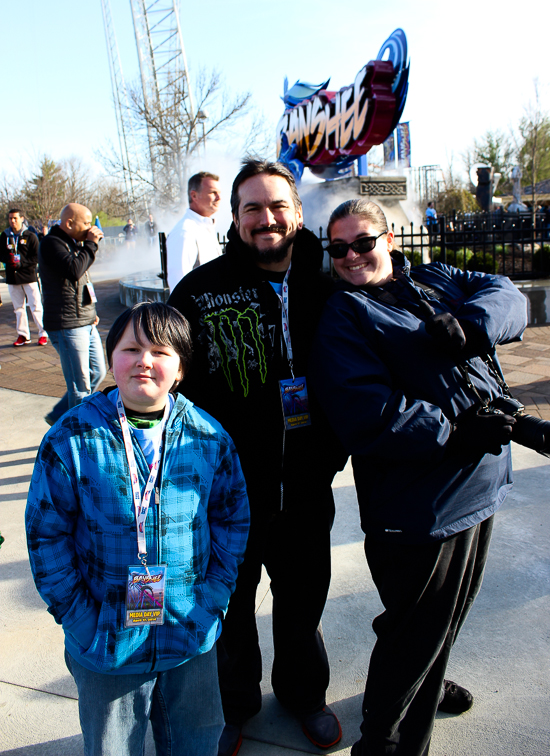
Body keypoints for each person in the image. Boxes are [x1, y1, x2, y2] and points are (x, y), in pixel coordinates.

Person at [310, 199, 528, 756]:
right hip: (419, 509)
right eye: (338, 249)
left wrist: (473, 326)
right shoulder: (345, 314)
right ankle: (386, 739)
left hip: (478, 485)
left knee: (443, 618)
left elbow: (508, 293)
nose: (352, 256)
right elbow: (367, 413)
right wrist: (457, 429)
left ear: (390, 240)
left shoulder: (434, 278)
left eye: (363, 242)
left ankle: (425, 687)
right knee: (412, 632)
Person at [168, 159, 347, 756]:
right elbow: (171, 379)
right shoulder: (202, 289)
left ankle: (304, 695)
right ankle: (234, 705)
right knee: (232, 606)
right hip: (228, 491)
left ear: (297, 212)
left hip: (304, 483)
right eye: (251, 208)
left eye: (277, 207)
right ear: (234, 217)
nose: (265, 219)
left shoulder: (331, 280)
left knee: (302, 601)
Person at [26, 301, 250, 756]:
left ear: (182, 368)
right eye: (131, 348)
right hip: (105, 641)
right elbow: (46, 536)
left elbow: (231, 518)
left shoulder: (209, 437)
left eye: (161, 351)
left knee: (197, 743)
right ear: (111, 359)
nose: (144, 360)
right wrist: (81, 619)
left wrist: (212, 600)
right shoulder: (71, 439)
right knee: (113, 747)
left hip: (189, 631)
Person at [38, 203, 107, 425]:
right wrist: (91, 244)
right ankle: (77, 435)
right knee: (80, 386)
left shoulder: (74, 243)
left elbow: (83, 281)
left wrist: (91, 310)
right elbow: (74, 271)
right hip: (67, 324)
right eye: (86, 223)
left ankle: (59, 415)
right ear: (69, 223)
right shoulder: (52, 243)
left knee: (98, 372)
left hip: (85, 320)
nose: (90, 228)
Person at [166, 171, 222, 291]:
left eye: (219, 193)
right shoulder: (185, 232)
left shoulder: (205, 228)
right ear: (194, 196)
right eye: (213, 192)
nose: (219, 198)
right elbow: (178, 287)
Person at [0, 208, 48, 347]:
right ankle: (23, 334)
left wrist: (22, 263)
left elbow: (37, 257)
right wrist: (7, 259)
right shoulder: (5, 236)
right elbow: (0, 254)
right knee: (18, 308)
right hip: (12, 278)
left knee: (36, 306)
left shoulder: (30, 235)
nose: (12, 221)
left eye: (15, 218)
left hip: (29, 277)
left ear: (22, 219)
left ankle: (43, 333)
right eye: (10, 218)